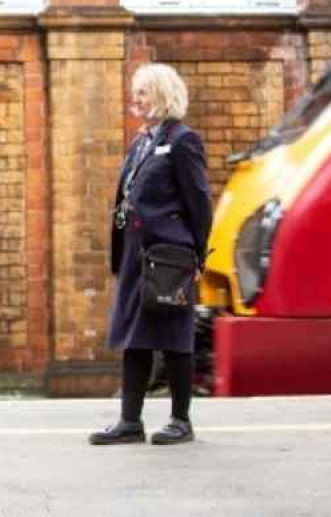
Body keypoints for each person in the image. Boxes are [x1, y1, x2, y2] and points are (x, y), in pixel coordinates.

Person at [90, 63, 212, 446]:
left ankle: (181, 420)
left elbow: (200, 204)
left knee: (174, 335)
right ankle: (130, 421)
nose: (135, 99)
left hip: (169, 254)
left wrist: (196, 257)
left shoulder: (182, 140)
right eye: (136, 92)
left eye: (142, 92)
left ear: (162, 95)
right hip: (135, 253)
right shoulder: (143, 141)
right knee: (135, 336)